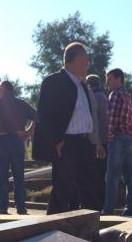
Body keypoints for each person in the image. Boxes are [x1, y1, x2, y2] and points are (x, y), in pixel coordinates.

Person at [33, 42, 104, 215]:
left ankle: (90, 226)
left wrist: (96, 142)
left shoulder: (82, 85)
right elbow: (43, 116)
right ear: (77, 59)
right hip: (66, 144)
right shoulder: (54, 81)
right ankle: (52, 228)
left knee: (91, 188)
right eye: (86, 59)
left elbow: (87, 116)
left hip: (85, 143)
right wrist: (56, 141)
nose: (88, 63)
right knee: (62, 190)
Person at [0, 80, 36, 215]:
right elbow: (36, 116)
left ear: (3, 89)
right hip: (17, 140)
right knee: (19, 175)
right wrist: (28, 132)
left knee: (1, 175)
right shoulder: (21, 103)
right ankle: (21, 207)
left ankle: (3, 207)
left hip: (1, 140)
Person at [102, 68, 132, 216]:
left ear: (119, 79)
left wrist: (109, 136)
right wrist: (131, 133)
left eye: (110, 79)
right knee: (129, 175)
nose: (107, 83)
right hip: (129, 137)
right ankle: (130, 207)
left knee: (112, 175)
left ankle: (108, 208)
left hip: (117, 137)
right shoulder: (129, 97)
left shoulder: (115, 94)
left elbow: (110, 118)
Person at [86, 74, 109, 209]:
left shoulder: (93, 97)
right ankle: (101, 202)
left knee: (95, 175)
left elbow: (94, 122)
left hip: (97, 141)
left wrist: (97, 142)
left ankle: (95, 204)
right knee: (102, 174)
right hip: (106, 140)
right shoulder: (104, 97)